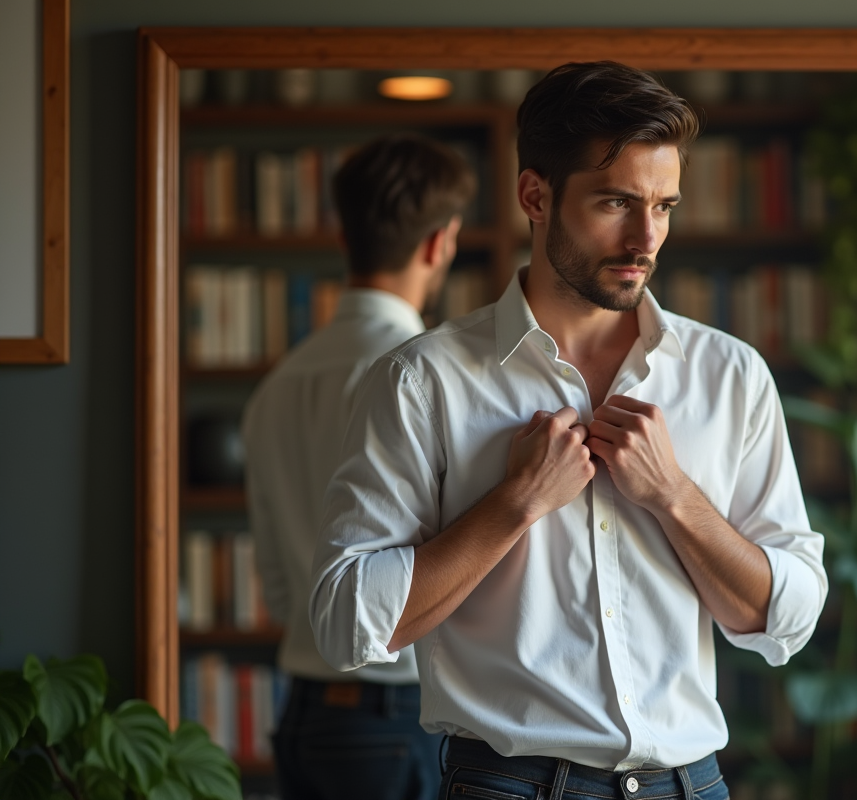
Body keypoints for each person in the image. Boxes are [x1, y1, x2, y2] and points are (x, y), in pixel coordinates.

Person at [310, 62, 827, 800]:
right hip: (508, 785)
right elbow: (345, 619)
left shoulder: (730, 375)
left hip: (693, 784)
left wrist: (676, 497)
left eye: (664, 205)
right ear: (535, 196)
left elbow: (788, 616)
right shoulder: (423, 381)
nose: (646, 237)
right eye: (616, 202)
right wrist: (511, 505)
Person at [242, 133, 476, 800]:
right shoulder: (433, 377)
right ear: (440, 243)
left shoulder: (277, 385)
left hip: (306, 713)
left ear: (343, 236)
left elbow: (284, 594)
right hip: (402, 715)